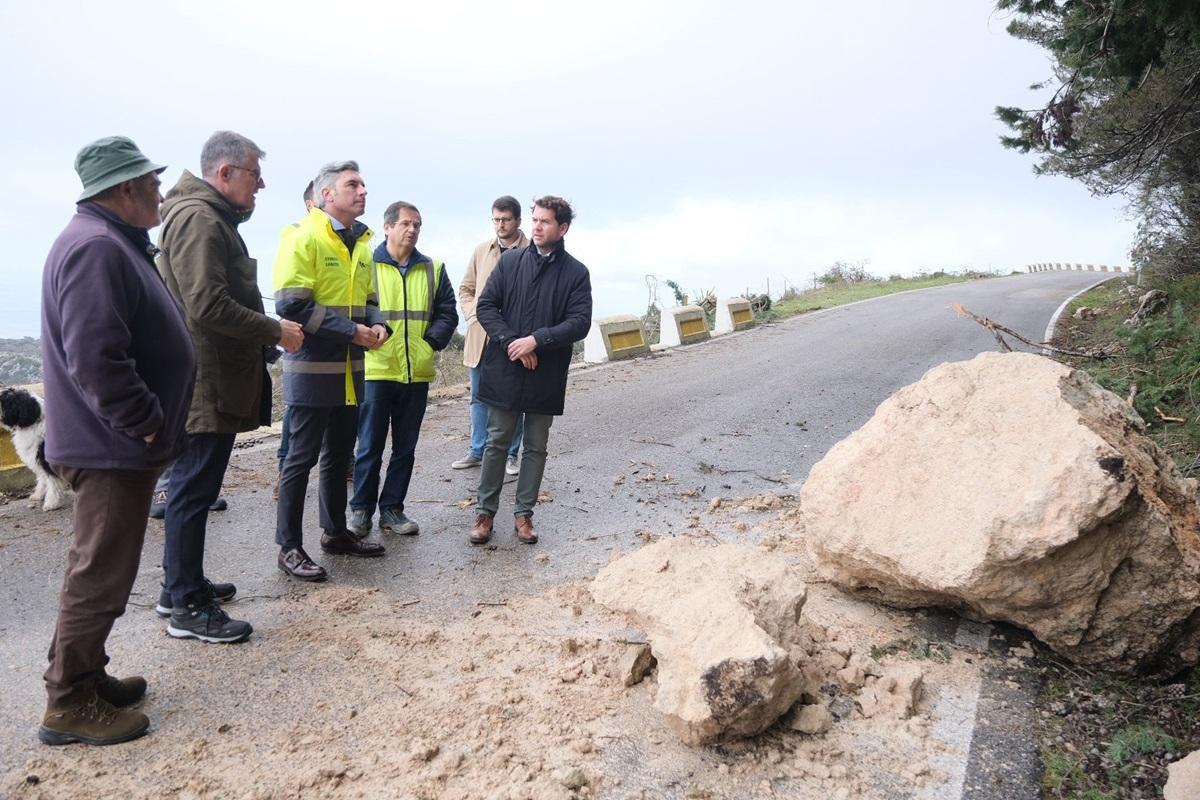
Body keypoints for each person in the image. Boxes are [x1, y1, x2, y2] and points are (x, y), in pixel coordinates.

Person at [38, 136, 195, 745]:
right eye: (151, 183)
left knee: (104, 568)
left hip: (115, 444)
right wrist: (148, 420)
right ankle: (68, 703)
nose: (160, 191)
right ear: (124, 190)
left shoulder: (107, 242)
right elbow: (97, 358)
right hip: (111, 447)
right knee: (99, 573)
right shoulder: (96, 248)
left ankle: (87, 675)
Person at [155, 131, 304, 643]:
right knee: (193, 490)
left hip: (206, 373)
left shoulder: (202, 215)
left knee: (192, 488)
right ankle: (187, 608)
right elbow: (206, 304)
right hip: (205, 378)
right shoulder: (200, 218)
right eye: (254, 175)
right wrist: (274, 330)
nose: (260, 185)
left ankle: (180, 585)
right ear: (224, 174)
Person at [273, 160, 389, 581]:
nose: (362, 191)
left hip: (350, 370)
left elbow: (371, 297)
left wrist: (378, 325)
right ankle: (288, 546)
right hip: (312, 370)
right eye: (352, 184)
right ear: (326, 195)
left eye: (363, 183)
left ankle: (334, 532)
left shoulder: (360, 243)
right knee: (299, 460)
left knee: (339, 457)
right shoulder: (304, 237)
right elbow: (291, 303)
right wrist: (353, 331)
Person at [469, 196, 592, 546]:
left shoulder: (576, 273)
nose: (536, 227)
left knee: (536, 446)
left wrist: (536, 340)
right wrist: (513, 343)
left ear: (562, 228)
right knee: (496, 441)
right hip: (506, 367)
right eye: (535, 220)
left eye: (545, 222)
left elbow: (579, 323)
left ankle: (524, 515)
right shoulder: (509, 263)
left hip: (545, 371)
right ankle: (484, 513)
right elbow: (487, 307)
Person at [350, 202, 457, 537]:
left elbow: (448, 312)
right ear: (387, 227)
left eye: (417, 225)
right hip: (377, 369)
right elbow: (356, 306)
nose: (412, 230)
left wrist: (431, 343)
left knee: (405, 449)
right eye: (406, 224)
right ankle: (360, 511)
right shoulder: (365, 263)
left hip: (416, 371)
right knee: (368, 446)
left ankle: (393, 509)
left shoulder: (433, 268)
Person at [452, 196, 528, 475]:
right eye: (496, 219)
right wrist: (474, 315)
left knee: (512, 398)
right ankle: (477, 450)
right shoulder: (482, 250)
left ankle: (510, 454)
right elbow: (466, 289)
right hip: (481, 337)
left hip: (513, 337)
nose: (500, 224)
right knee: (478, 397)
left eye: (505, 219)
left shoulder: (532, 251)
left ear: (518, 221)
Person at [273, 181, 318, 500]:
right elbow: (292, 299)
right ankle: (284, 472)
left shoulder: (352, 240)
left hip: (340, 347)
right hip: (304, 343)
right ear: (310, 204)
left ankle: (345, 464)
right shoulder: (296, 235)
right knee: (297, 413)